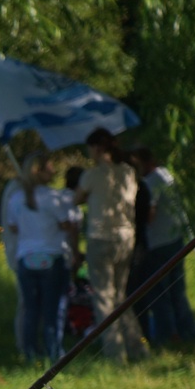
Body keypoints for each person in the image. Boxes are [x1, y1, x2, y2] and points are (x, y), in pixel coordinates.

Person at [0, 152, 75, 361]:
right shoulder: (54, 197)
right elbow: (67, 224)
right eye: (50, 166)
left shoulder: (15, 198)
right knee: (53, 309)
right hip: (51, 257)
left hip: (27, 259)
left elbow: (13, 227)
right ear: (40, 171)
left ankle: (30, 351)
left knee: (32, 309)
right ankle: (55, 352)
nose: (53, 170)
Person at [76, 129, 145, 360]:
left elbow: (76, 198)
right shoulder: (127, 172)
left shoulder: (92, 175)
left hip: (100, 237)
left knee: (104, 297)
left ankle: (116, 354)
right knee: (120, 295)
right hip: (126, 237)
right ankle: (137, 348)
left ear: (97, 148)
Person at [130, 149, 195, 345]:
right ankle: (186, 332)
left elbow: (150, 214)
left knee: (159, 293)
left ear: (144, 162)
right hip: (175, 239)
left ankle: (166, 337)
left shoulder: (150, 182)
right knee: (177, 291)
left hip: (158, 242)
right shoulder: (166, 174)